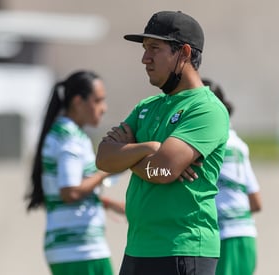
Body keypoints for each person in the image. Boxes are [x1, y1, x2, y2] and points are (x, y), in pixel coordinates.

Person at [96, 11, 229, 275]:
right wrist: (150, 149)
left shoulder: (206, 109)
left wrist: (129, 155)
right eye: (145, 49)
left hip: (183, 248)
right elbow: (103, 159)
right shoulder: (146, 106)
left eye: (154, 49)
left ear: (185, 53)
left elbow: (164, 171)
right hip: (137, 247)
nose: (145, 58)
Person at [26, 70, 125, 275]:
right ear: (78, 102)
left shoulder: (67, 133)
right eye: (98, 101)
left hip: (71, 248)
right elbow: (70, 191)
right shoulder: (69, 137)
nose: (103, 108)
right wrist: (106, 171)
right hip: (79, 249)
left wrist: (107, 204)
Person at [202, 78, 262, 275]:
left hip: (222, 238)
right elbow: (256, 202)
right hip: (245, 236)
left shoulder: (205, 144)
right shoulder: (238, 145)